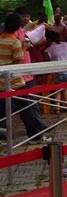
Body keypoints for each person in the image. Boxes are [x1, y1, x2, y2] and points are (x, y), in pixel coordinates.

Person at [0, 13, 51, 142]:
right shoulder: (15, 42)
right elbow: (18, 60)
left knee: (4, 111)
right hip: (15, 82)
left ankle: (3, 136)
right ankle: (36, 135)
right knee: (26, 109)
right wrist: (25, 47)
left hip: (1, 82)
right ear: (17, 27)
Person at [43, 29, 67, 111]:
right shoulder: (66, 44)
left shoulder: (48, 50)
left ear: (48, 39)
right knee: (64, 87)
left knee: (57, 88)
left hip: (62, 74)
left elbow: (46, 64)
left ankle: (57, 107)